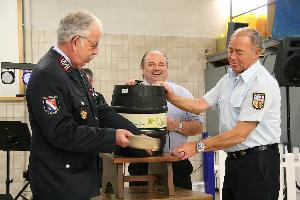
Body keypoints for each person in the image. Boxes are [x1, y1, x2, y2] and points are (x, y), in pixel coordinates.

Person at [26, 11, 142, 200]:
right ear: (75, 41)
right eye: (94, 45)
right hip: (59, 183)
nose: (96, 52)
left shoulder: (74, 70)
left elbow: (100, 109)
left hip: (78, 179)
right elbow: (62, 132)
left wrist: (138, 137)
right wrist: (112, 137)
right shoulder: (47, 74)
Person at [159, 27, 281, 200]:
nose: (232, 57)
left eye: (239, 52)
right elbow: (198, 105)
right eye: (230, 50)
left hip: (258, 163)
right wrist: (170, 96)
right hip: (234, 161)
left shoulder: (261, 84)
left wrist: (196, 146)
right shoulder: (228, 79)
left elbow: (239, 135)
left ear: (257, 53)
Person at [127, 50, 203, 190]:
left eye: (161, 64)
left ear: (166, 69)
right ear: (142, 69)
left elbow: (198, 126)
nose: (157, 68)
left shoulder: (182, 93)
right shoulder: (131, 91)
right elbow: (121, 125)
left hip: (177, 163)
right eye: (151, 64)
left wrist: (176, 126)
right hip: (141, 164)